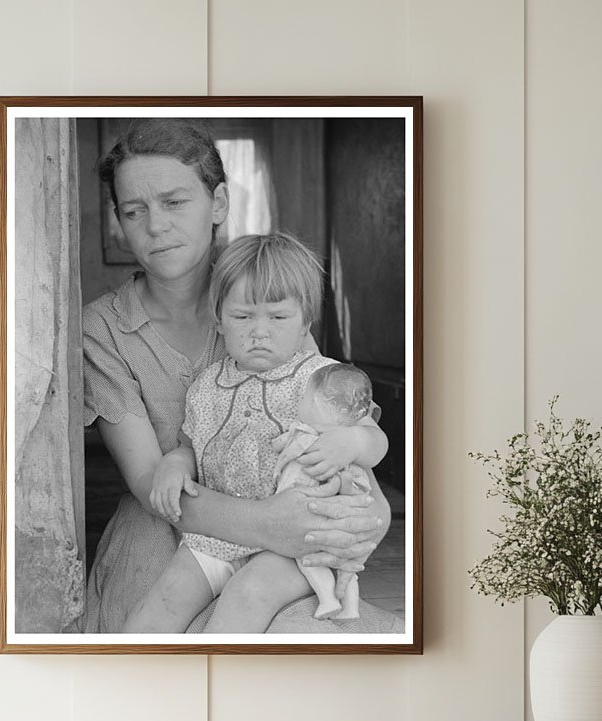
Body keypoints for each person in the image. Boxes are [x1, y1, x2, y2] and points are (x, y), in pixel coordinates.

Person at [82, 119, 391, 634]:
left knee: (296, 633)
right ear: (119, 222)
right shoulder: (102, 329)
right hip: (172, 530)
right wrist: (273, 524)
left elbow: (326, 423)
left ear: (218, 204)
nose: (156, 225)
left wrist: (367, 514)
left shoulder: (266, 298)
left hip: (288, 523)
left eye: (175, 202)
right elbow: (151, 483)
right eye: (134, 211)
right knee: (154, 630)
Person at [123, 233, 386, 634]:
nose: (259, 332)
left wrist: (352, 441)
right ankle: (134, 678)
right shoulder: (207, 385)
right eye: (243, 317)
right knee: (164, 596)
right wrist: (173, 466)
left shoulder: (321, 377)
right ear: (219, 319)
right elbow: (188, 446)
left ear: (305, 324)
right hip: (221, 536)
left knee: (248, 594)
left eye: (278, 318)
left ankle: (217, 682)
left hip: (298, 544)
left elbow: (376, 440)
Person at [273, 361, 378, 620]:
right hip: (333, 519)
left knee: (307, 558)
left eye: (306, 398)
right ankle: (350, 608)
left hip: (307, 513)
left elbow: (281, 445)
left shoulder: (306, 434)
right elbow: (357, 487)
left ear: (319, 404)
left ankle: (328, 599)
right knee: (345, 566)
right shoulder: (346, 449)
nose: (301, 403)